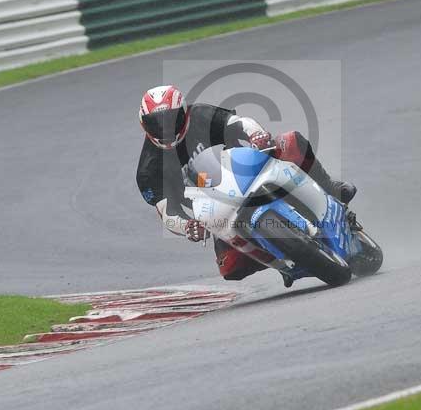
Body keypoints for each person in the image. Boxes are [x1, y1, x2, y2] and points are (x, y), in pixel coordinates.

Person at [136, 84, 356, 284]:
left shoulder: (200, 114)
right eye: (156, 123)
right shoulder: (148, 170)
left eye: (171, 119)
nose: (164, 128)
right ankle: (284, 257)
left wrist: (256, 135)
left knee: (290, 141)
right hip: (216, 209)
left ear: (184, 113)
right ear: (144, 125)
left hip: (246, 171)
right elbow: (167, 212)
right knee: (231, 268)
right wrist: (187, 226)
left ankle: (330, 189)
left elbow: (239, 123)